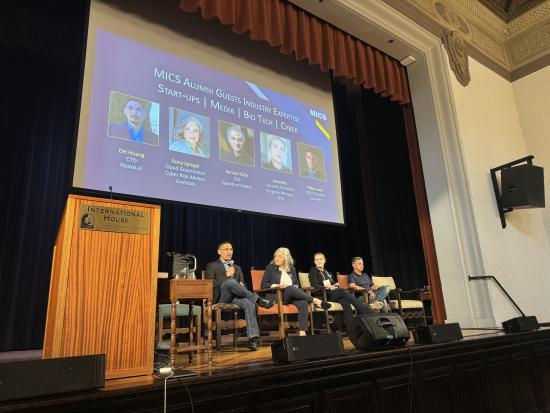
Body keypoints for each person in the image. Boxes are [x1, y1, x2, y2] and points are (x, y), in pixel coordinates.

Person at [205, 241, 275, 351]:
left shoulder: (237, 267)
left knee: (249, 303)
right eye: (226, 249)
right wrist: (225, 276)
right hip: (220, 298)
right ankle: (260, 300)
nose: (229, 252)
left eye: (231, 249)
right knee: (230, 282)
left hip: (235, 298)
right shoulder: (212, 265)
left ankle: (252, 339)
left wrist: (242, 285)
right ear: (219, 252)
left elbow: (243, 286)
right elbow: (209, 284)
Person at [261, 247, 330, 336]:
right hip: (278, 295)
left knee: (303, 302)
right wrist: (275, 285)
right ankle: (315, 300)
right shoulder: (270, 268)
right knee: (290, 288)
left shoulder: (292, 268)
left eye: (280, 256)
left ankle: (302, 332)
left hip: (291, 295)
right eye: (275, 256)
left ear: (286, 258)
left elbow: (297, 283)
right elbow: (263, 284)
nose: (276, 258)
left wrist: (295, 286)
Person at [308, 252, 370, 332]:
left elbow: (333, 283)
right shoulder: (313, 271)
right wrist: (328, 287)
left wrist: (335, 285)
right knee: (343, 291)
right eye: (317, 259)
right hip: (322, 294)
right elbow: (315, 285)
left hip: (331, 294)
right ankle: (363, 309)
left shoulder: (328, 273)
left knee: (345, 303)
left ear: (324, 260)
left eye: (321, 259)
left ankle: (351, 329)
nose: (319, 261)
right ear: (314, 262)